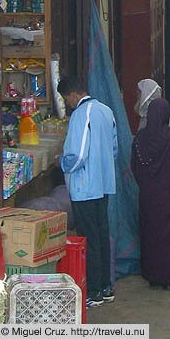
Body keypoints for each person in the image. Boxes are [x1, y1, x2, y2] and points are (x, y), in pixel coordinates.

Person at [58, 76, 117, 308]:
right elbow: (114, 149)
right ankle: (105, 286)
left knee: (89, 239)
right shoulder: (106, 111)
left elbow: (78, 154)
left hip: (85, 188)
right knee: (101, 236)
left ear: (73, 95)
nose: (67, 104)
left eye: (66, 100)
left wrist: (62, 163)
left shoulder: (81, 115)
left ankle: (93, 291)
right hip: (103, 184)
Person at [131, 99, 170, 290]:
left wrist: (146, 184)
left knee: (150, 233)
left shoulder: (139, 138)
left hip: (148, 194)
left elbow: (135, 167)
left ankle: (152, 274)